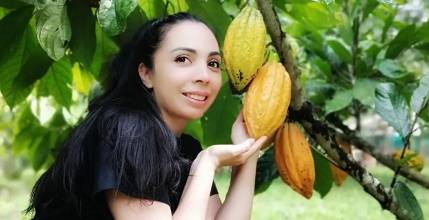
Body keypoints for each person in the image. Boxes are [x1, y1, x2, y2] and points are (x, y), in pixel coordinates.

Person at [26, 12, 267, 220]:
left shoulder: (185, 146)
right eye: (183, 59)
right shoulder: (125, 131)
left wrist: (249, 151)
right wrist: (207, 163)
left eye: (214, 63)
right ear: (146, 73)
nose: (204, 75)